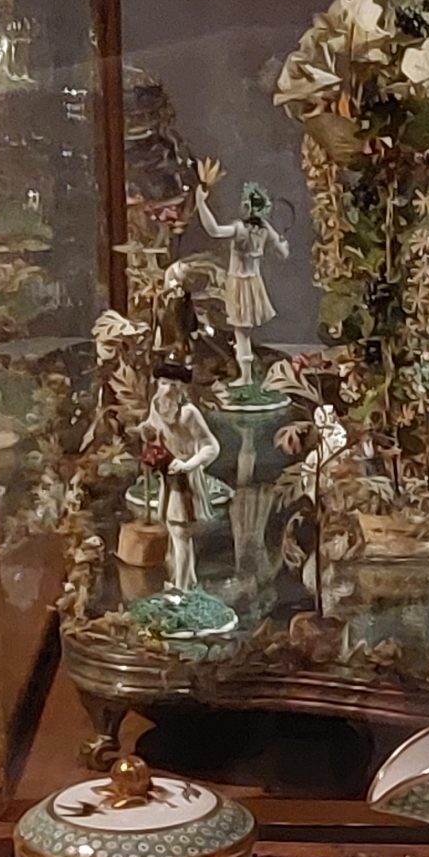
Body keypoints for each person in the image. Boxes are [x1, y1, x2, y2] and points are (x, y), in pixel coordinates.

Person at [194, 162, 290, 392]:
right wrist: (282, 242)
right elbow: (283, 253)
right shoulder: (265, 229)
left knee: (241, 333)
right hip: (254, 284)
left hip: (240, 283)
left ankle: (245, 377)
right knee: (243, 333)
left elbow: (214, 230)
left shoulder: (240, 229)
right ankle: (246, 374)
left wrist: (201, 203)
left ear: (247, 207)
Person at [139, 363, 221, 594]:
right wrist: (146, 432)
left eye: (173, 385)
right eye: (163, 384)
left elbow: (211, 446)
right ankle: (188, 579)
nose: (166, 390)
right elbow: (154, 429)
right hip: (168, 475)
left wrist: (189, 464)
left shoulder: (188, 414)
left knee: (179, 532)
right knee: (172, 528)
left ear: (182, 388)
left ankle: (181, 590)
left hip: (184, 479)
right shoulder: (157, 406)